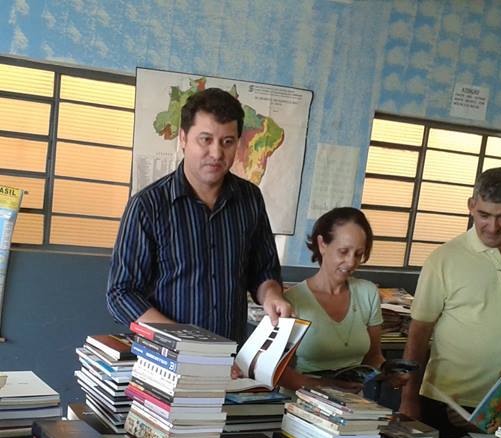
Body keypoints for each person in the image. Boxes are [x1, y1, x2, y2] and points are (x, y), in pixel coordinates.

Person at [106, 88, 291, 345]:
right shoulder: (148, 205)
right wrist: (184, 341)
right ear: (183, 138)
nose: (216, 154)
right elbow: (121, 293)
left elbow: (262, 270)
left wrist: (272, 295)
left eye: (227, 142)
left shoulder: (250, 199)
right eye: (205, 139)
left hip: (230, 359)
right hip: (165, 359)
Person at [399, 166, 501, 437]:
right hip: (450, 401)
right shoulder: (444, 259)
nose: (493, 227)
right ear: (471, 206)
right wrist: (408, 399)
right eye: (484, 215)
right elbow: (418, 332)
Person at [279, 207, 383, 391]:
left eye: (358, 254)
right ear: (322, 244)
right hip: (306, 402)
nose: (351, 262)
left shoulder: (368, 293)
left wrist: (390, 373)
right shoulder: (293, 301)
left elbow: (374, 357)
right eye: (343, 251)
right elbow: (276, 371)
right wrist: (330, 385)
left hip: (354, 405)